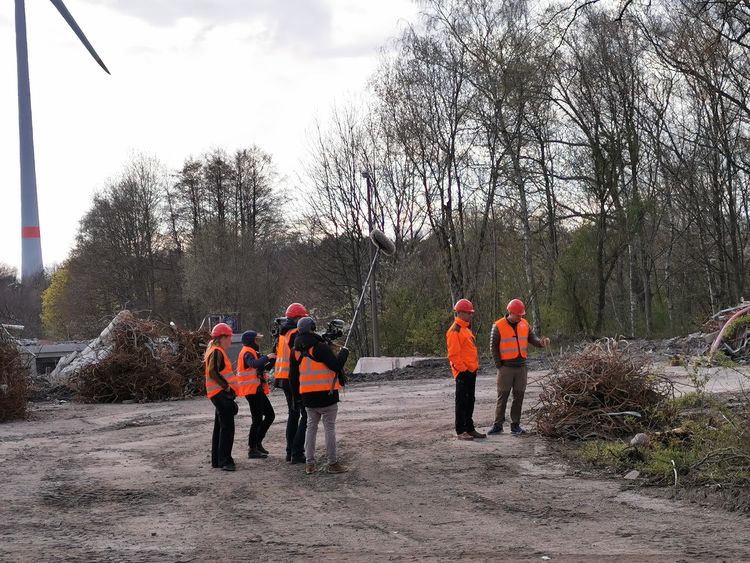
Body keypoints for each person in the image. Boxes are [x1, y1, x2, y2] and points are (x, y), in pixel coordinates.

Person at [289, 316, 350, 475]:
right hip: (326, 395)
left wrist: (297, 398)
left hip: (308, 398)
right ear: (313, 328)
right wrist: (344, 353)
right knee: (329, 428)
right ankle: (333, 463)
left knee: (311, 428)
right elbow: (336, 366)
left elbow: (293, 378)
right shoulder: (320, 347)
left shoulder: (295, 351)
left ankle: (310, 464)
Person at [487, 299, 550, 436]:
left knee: (519, 396)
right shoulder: (498, 326)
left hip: (521, 367)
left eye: (522, 315)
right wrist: (499, 366)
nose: (521, 317)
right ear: (510, 312)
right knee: (502, 396)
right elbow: (493, 347)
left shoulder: (525, 324)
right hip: (505, 368)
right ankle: (498, 425)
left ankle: (515, 425)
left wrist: (541, 343)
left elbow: (533, 339)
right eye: (518, 315)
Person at [274, 303, 309, 463]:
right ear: (297, 318)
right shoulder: (295, 333)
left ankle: (290, 451)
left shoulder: (283, 333)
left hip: (282, 377)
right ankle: (296, 452)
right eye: (302, 318)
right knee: (305, 414)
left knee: (293, 414)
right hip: (293, 378)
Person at [446, 299, 485, 441]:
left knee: (470, 401)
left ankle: (469, 428)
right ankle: (461, 430)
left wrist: (473, 369)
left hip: (471, 371)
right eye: (469, 313)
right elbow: (453, 355)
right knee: (462, 401)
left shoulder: (465, 329)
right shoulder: (455, 331)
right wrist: (463, 371)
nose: (471, 315)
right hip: (463, 373)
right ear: (461, 313)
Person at [236, 331, 276, 459]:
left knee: (270, 415)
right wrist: (268, 357)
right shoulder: (247, 351)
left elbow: (261, 367)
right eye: (257, 340)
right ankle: (252, 448)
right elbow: (254, 364)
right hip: (251, 390)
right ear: (251, 340)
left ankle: (257, 443)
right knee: (257, 419)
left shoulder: (252, 351)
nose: (259, 342)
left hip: (257, 390)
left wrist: (272, 360)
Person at [204, 322, 238, 471]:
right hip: (220, 394)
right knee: (227, 428)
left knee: (220, 428)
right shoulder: (217, 351)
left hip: (218, 394)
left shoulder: (214, 350)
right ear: (222, 337)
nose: (231, 340)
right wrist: (227, 386)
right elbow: (213, 372)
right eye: (229, 337)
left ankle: (217, 460)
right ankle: (225, 460)